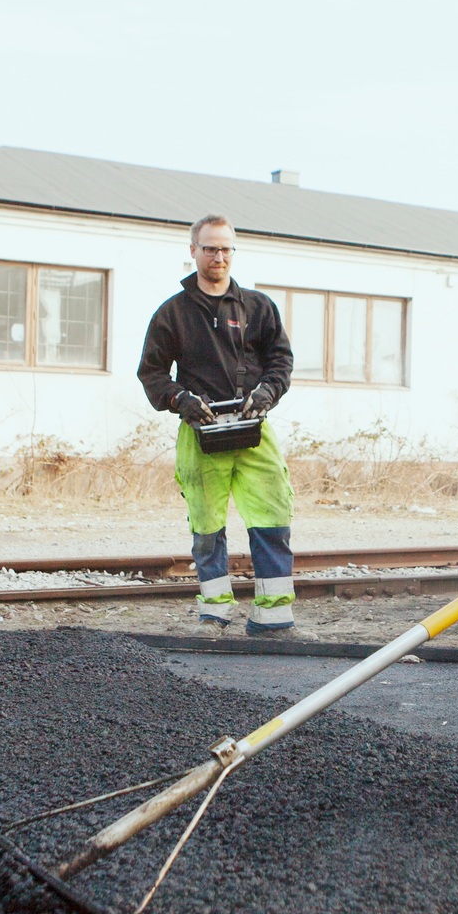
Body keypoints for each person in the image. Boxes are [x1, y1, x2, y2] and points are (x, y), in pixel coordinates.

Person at [137, 214, 297, 633]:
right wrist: (180, 399)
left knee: (273, 518)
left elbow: (281, 360)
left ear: (233, 251)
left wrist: (267, 392)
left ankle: (273, 617)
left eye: (226, 248)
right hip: (201, 432)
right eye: (209, 248)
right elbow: (151, 373)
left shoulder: (258, 308)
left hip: (252, 429)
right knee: (207, 527)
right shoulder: (173, 314)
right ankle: (215, 613)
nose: (218, 256)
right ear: (193, 251)